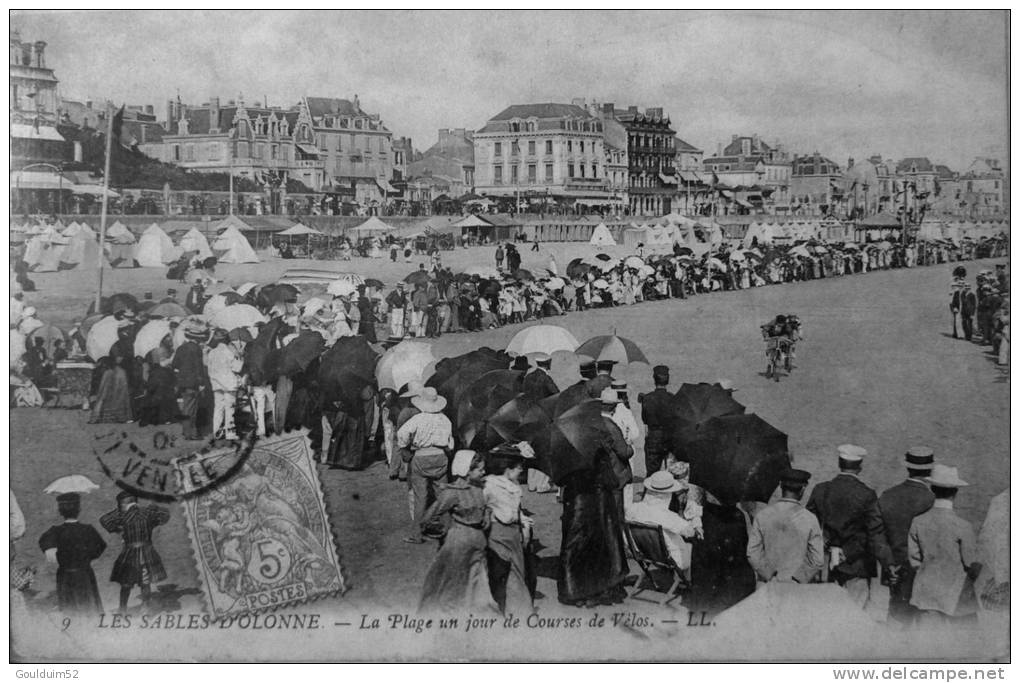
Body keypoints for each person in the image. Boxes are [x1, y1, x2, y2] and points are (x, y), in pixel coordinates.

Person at [557, 391, 632, 607]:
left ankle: (575, 590)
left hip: (577, 494)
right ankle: (597, 588)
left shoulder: (568, 432)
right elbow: (612, 462)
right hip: (596, 494)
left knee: (576, 541)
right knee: (601, 541)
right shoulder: (602, 428)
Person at [807, 444, 893, 610]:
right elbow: (873, 533)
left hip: (825, 564)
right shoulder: (867, 494)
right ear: (859, 467)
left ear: (839, 463)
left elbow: (809, 526)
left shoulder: (821, 489)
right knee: (854, 617)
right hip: (857, 564)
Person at [418, 450, 497, 614]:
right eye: (480, 469)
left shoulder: (478, 489)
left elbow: (485, 512)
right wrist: (443, 533)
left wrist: (487, 515)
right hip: (459, 543)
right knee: (455, 585)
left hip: (476, 543)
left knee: (477, 584)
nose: (483, 472)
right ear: (467, 471)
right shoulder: (451, 492)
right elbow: (428, 519)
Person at [908, 465, 982, 629]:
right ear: (955, 492)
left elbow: (914, 561)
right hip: (955, 597)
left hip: (926, 594)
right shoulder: (963, 526)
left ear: (933, 489)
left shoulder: (918, 522)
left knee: (929, 645)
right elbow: (971, 564)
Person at [878, 446, 936, 628]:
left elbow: (877, 534)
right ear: (930, 470)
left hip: (895, 569)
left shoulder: (887, 496)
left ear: (907, 467)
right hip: (923, 572)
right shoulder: (932, 499)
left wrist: (888, 564)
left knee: (895, 621)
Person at [397, 387, 455, 544]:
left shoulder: (418, 419)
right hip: (440, 457)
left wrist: (405, 447)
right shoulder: (445, 420)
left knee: (420, 497)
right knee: (443, 496)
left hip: (421, 457)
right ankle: (448, 531)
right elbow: (450, 444)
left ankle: (416, 533)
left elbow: (402, 434)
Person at [483, 443, 536, 615]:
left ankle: (510, 610)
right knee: (508, 573)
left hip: (509, 534)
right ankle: (516, 611)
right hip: (500, 533)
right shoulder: (492, 485)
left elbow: (514, 511)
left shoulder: (505, 485)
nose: (521, 470)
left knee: (512, 573)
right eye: (518, 466)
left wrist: (522, 519)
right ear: (508, 468)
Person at [747, 468, 824, 584]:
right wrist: (798, 578)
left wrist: (770, 575)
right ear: (803, 489)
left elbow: (752, 553)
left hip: (767, 585)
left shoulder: (762, 515)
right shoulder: (810, 519)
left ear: (780, 486)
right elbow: (817, 560)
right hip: (797, 588)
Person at [100, 490, 170, 613]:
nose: (119, 507)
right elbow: (165, 514)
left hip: (130, 552)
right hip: (147, 551)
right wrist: (153, 513)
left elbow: (104, 520)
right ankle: (145, 607)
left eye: (120, 505)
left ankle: (122, 610)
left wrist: (118, 529)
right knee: (145, 582)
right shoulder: (147, 513)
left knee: (126, 583)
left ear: (123, 503)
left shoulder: (122, 515)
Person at [38, 492, 106, 615]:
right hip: (85, 574)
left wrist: (56, 554)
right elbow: (100, 546)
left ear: (60, 511)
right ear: (79, 509)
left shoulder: (55, 531)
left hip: (65, 575)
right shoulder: (88, 529)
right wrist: (87, 557)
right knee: (88, 607)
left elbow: (44, 542)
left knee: (69, 608)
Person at [623, 470, 700, 572]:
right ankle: (685, 582)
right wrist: (695, 526)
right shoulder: (668, 517)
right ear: (668, 494)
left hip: (646, 555)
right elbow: (690, 532)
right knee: (690, 546)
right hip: (672, 560)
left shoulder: (633, 509)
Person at [172, 320, 209, 440]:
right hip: (193, 383)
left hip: (182, 381)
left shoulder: (181, 348)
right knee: (192, 409)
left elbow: (175, 364)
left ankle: (185, 430)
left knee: (186, 406)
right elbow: (199, 368)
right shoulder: (196, 349)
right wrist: (201, 383)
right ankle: (191, 433)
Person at [206, 328, 242, 440]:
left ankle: (216, 432)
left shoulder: (212, 352)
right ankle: (230, 433)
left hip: (216, 384)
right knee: (230, 409)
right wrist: (239, 356)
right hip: (229, 384)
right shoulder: (228, 352)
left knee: (218, 409)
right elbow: (237, 368)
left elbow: (209, 369)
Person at [638, 365, 674, 475]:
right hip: (670, 438)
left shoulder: (647, 398)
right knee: (673, 474)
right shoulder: (673, 398)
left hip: (653, 437)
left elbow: (645, 420)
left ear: (654, 379)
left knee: (652, 474)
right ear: (668, 380)